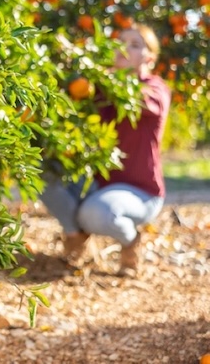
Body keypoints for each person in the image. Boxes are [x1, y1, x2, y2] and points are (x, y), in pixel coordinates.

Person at [39, 23, 171, 278]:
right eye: (120, 41)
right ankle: (75, 234)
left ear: (150, 58)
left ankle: (131, 242)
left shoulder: (155, 89)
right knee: (38, 169)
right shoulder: (99, 89)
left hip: (140, 191)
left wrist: (97, 71)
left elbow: (136, 98)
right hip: (97, 183)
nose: (123, 48)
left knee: (97, 213)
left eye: (135, 44)